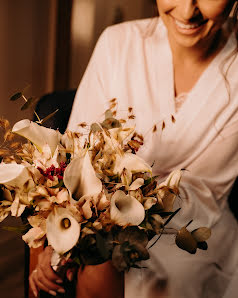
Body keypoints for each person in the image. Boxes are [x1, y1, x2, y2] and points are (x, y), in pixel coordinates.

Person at [29, 0, 238, 297]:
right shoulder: (118, 43)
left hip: (190, 224)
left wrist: (112, 230)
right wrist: (64, 235)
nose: (188, 10)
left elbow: (204, 192)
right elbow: (78, 152)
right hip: (94, 208)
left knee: (115, 268)